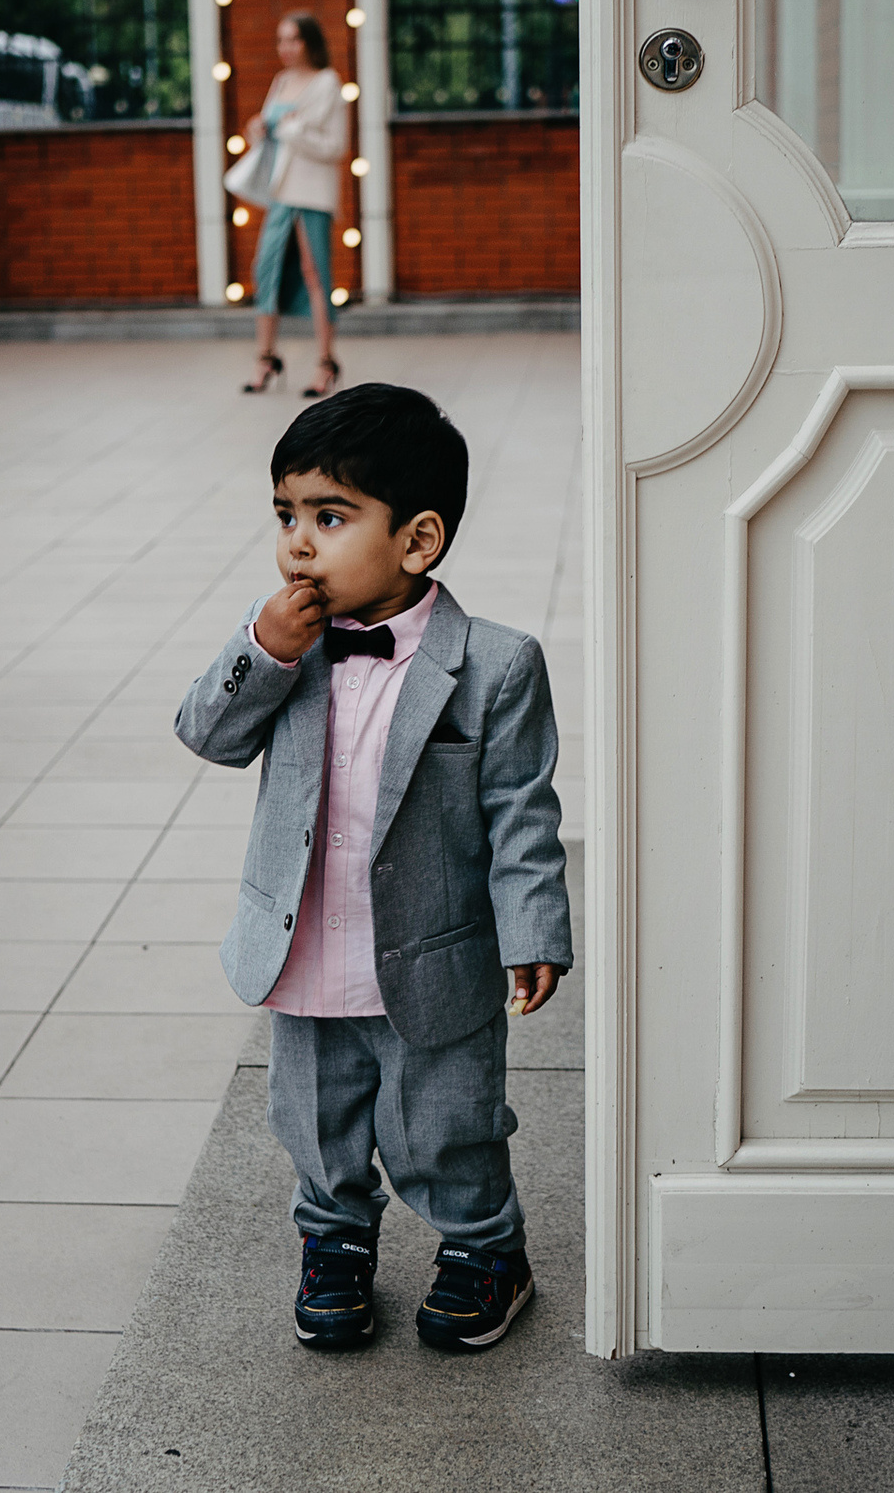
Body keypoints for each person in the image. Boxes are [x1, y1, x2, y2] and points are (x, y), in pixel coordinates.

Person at [174, 385, 572, 1353]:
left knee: (447, 1123)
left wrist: (532, 932)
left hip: (431, 955)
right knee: (314, 1118)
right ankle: (335, 1238)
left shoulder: (496, 664)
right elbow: (207, 734)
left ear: (418, 538)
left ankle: (485, 1245)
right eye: (285, 515)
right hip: (305, 949)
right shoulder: (284, 647)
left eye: (330, 516)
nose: (297, 543)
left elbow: (521, 814)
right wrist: (261, 650)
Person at [243, 12, 350, 399]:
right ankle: (265, 357)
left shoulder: (328, 84)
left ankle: (326, 361)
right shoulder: (282, 81)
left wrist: (290, 130)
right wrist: (260, 129)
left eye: (293, 40)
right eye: (280, 40)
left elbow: (335, 147)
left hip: (311, 196)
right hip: (280, 193)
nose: (285, 48)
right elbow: (275, 135)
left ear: (310, 41)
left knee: (315, 273)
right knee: (265, 270)